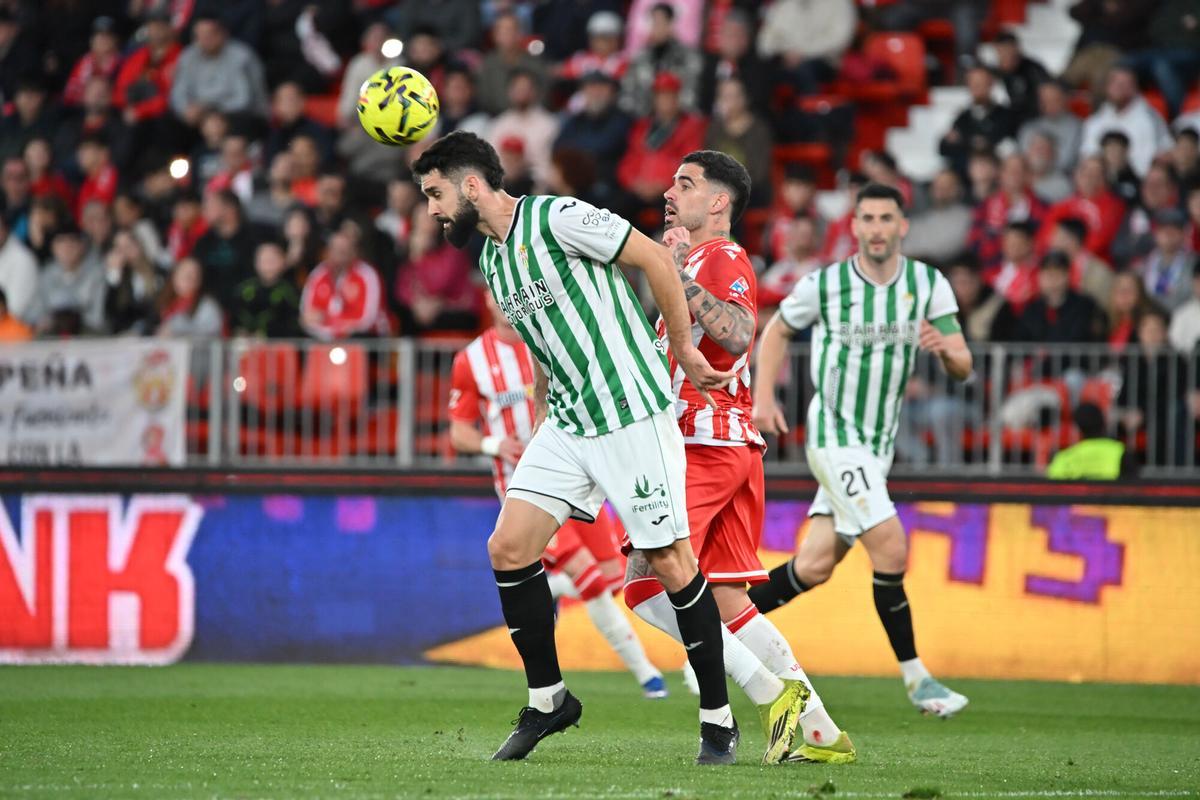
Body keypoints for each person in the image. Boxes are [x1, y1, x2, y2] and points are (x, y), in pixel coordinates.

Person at [412, 131, 751, 765]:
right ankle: (549, 701)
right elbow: (542, 342)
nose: (432, 211)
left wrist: (681, 347)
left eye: (435, 194)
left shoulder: (557, 216)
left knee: (671, 563)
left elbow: (652, 258)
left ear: (471, 185)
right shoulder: (492, 259)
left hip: (629, 411)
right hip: (568, 423)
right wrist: (542, 411)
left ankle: (717, 721)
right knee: (509, 548)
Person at [623, 150, 855, 765]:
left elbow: (736, 333)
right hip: (723, 447)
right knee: (727, 603)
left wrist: (678, 273)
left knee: (646, 585)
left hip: (704, 445)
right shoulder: (690, 260)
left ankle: (769, 694)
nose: (671, 191)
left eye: (686, 183)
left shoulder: (720, 257)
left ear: (718, 202)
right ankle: (820, 734)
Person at [750, 183, 974, 718]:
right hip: (833, 436)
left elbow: (964, 362)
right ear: (853, 227)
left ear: (903, 226)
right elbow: (777, 330)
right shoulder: (827, 285)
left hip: (877, 450)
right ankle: (920, 682)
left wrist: (947, 352)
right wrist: (763, 399)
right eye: (867, 218)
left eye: (885, 218)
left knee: (814, 565)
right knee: (892, 548)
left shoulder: (927, 285)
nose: (876, 228)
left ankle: (712, 637)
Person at [448, 292, 668, 700]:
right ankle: (648, 676)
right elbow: (459, 432)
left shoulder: (550, 340)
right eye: (495, 298)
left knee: (610, 576)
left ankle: (541, 588)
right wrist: (497, 445)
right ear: (487, 302)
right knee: (590, 579)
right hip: (527, 494)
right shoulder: (471, 360)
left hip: (581, 481)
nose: (503, 303)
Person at [299, 231, 387, 341]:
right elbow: (307, 315)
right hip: (324, 338)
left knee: (358, 338)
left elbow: (368, 318)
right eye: (335, 248)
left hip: (362, 338)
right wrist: (330, 330)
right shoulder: (318, 274)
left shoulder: (367, 274)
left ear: (354, 251)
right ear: (327, 251)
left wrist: (333, 324)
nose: (339, 253)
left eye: (344, 249)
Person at [1047, 402, 1137, 480]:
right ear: (1103, 422)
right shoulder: (1120, 452)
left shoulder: (1063, 458)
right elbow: (1133, 490)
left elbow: (1052, 491)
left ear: (1077, 428)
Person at [232, 241, 302, 339]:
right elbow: (236, 316)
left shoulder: (290, 291)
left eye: (272, 260)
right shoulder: (244, 289)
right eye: (264, 260)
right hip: (247, 344)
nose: (268, 264)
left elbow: (294, 321)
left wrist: (268, 334)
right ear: (256, 262)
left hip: (279, 346)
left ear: (283, 261)